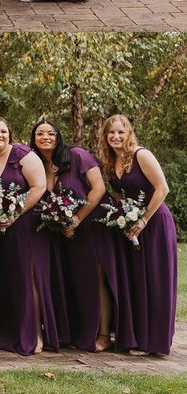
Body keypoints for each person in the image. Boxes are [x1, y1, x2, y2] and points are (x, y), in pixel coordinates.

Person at [30, 119, 117, 351]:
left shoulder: (77, 155)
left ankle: (104, 334)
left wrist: (77, 218)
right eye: (40, 133)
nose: (45, 137)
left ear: (58, 136)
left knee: (95, 278)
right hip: (65, 233)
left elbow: (98, 189)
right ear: (33, 138)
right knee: (74, 281)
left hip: (90, 226)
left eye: (51, 133)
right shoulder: (37, 164)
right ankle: (78, 330)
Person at [0, 116, 60, 355]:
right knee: (6, 279)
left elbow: (39, 186)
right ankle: (9, 331)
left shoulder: (22, 154)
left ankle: (35, 334)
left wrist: (15, 212)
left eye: (3, 131)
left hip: (25, 225)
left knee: (28, 278)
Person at [99, 114, 178, 355]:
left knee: (154, 280)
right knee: (136, 281)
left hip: (154, 224)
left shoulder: (141, 155)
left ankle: (153, 342)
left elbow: (162, 188)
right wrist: (122, 216)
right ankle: (137, 337)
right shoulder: (111, 161)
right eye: (111, 132)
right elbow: (121, 195)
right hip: (131, 225)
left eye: (120, 132)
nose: (116, 136)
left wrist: (143, 219)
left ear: (129, 133)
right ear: (105, 136)